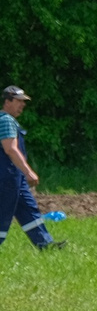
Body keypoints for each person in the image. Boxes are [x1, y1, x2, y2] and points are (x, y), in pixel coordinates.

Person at [0, 86, 59, 251]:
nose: (22, 105)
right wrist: (28, 171)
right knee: (2, 216)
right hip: (6, 178)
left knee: (29, 210)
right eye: (18, 101)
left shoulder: (8, 120)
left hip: (14, 178)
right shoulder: (5, 120)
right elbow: (10, 149)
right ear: (7, 101)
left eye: (23, 102)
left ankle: (46, 245)